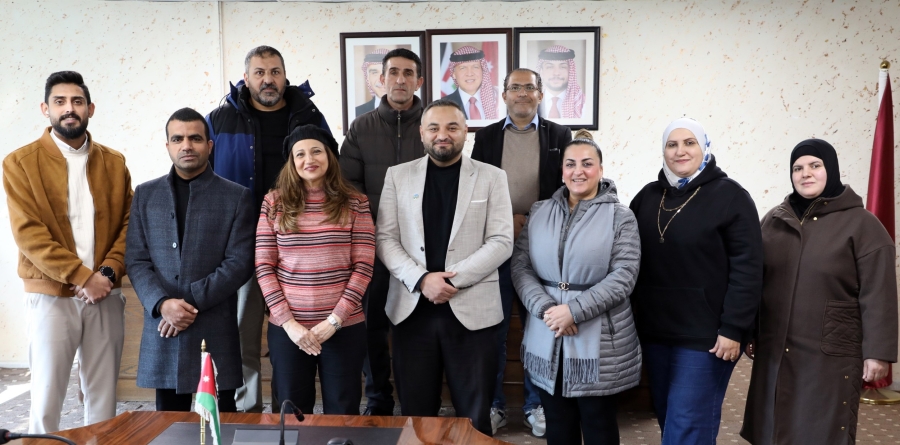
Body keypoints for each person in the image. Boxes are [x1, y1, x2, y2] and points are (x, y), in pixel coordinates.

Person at [740, 139, 898, 445]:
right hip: (775, 348)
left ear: (832, 169)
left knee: (820, 430)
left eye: (815, 165)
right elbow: (755, 281)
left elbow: (879, 294)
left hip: (830, 353)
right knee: (772, 427)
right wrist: (749, 330)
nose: (805, 174)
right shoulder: (774, 220)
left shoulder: (863, 225)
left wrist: (877, 353)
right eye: (797, 168)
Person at [3, 71, 132, 433]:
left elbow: (129, 225)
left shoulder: (114, 162)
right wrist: (82, 277)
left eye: (77, 101)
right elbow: (29, 234)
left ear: (90, 108)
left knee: (103, 400)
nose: (69, 108)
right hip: (51, 297)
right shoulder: (19, 163)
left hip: (105, 293)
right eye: (59, 102)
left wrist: (107, 273)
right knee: (47, 399)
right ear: (45, 109)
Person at [376, 99, 513, 436]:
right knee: (417, 416)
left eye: (452, 127)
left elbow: (501, 241)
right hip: (412, 312)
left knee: (474, 419)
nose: (443, 135)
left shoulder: (493, 177)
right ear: (422, 133)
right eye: (434, 127)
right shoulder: (397, 176)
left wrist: (452, 281)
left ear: (465, 131)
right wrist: (423, 280)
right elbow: (385, 239)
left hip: (473, 314)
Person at [206, 45, 331, 413]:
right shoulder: (220, 120)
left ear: (285, 75)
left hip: (298, 249)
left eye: (275, 71)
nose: (268, 79)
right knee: (242, 337)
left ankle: (285, 415)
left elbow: (331, 168)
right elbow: (203, 181)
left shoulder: (308, 115)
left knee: (289, 334)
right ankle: (248, 414)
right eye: (259, 72)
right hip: (239, 246)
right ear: (246, 78)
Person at [628, 118, 763, 444]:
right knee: (669, 418)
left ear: (704, 147)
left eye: (689, 143)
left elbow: (748, 269)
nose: (680, 151)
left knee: (687, 424)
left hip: (708, 337)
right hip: (655, 332)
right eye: (672, 144)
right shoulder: (647, 197)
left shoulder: (731, 197)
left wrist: (734, 328)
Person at [511, 130, 641, 444]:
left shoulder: (621, 217)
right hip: (547, 331)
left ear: (600, 169)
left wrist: (573, 311)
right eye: (570, 164)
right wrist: (547, 310)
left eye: (587, 163)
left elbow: (624, 275)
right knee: (557, 424)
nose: (578, 171)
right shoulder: (539, 211)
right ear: (562, 171)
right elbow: (521, 266)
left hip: (598, 339)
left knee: (599, 426)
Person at [126, 108, 256, 412]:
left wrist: (186, 303)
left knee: (221, 424)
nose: (186, 145)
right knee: (169, 424)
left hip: (213, 324)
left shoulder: (236, 196)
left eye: (195, 138)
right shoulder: (145, 195)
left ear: (209, 145)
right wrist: (163, 304)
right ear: (168, 146)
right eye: (178, 139)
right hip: (164, 328)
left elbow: (239, 262)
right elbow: (136, 260)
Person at [472, 67, 573, 437]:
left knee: (539, 329)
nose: (522, 94)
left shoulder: (559, 135)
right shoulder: (485, 137)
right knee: (494, 330)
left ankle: (536, 405)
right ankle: (494, 405)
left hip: (542, 246)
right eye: (515, 87)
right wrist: (505, 221)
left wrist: (531, 220)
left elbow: (567, 188)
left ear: (540, 95)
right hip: (494, 246)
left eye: (529, 87)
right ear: (504, 95)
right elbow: (474, 188)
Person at [256, 125, 375, 415]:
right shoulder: (274, 202)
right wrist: (289, 323)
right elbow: (264, 266)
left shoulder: (356, 203)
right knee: (292, 411)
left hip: (343, 327)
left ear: (330, 156)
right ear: (291, 162)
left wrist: (334, 321)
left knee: (343, 412)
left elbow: (363, 266)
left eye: (316, 151)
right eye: (300, 154)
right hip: (289, 330)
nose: (309, 159)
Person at [339, 47, 426, 416]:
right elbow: (348, 186)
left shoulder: (432, 125)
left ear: (419, 81)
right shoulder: (361, 127)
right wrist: (377, 228)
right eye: (393, 72)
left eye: (408, 73)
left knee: (414, 326)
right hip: (372, 246)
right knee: (371, 325)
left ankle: (415, 400)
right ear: (382, 79)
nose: (400, 79)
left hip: (423, 248)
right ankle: (378, 399)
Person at [443, 46, 499, 120]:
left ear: (483, 70)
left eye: (475, 67)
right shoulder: (443, 105)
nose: (469, 74)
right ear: (454, 74)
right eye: (463, 68)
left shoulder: (499, 99)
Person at [537, 45, 584, 119]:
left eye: (563, 67)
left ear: (570, 71)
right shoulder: (531, 102)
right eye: (550, 67)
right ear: (542, 72)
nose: (556, 73)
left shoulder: (582, 103)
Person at [355, 48, 390, 117]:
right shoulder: (356, 113)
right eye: (374, 73)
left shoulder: (410, 112)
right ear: (368, 78)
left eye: (386, 72)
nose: (381, 80)